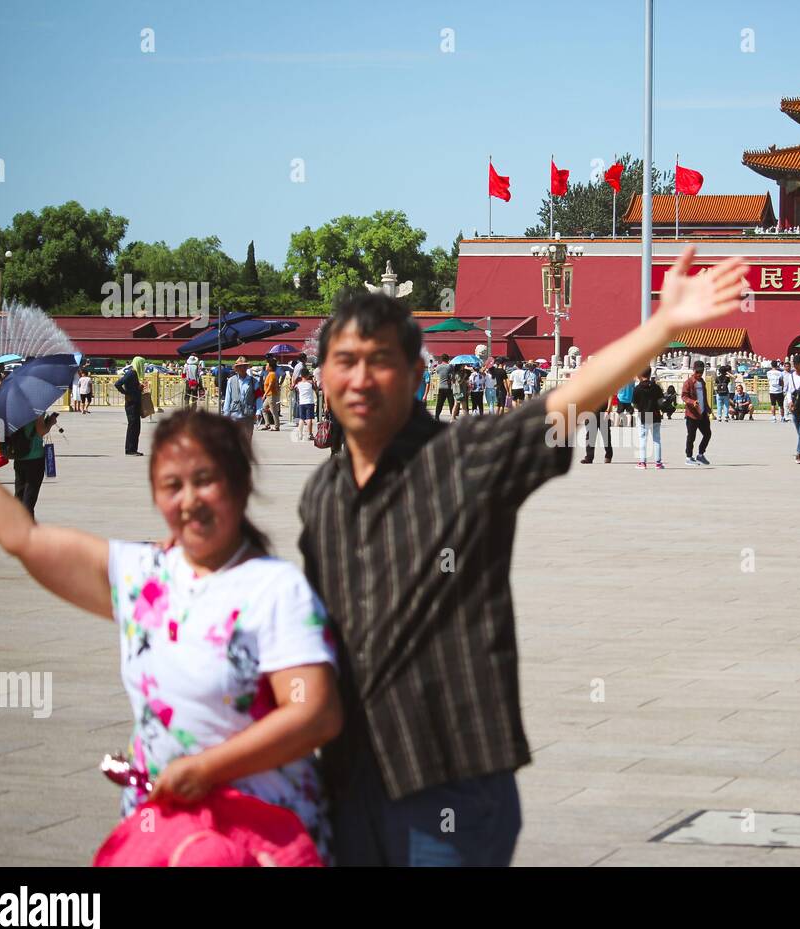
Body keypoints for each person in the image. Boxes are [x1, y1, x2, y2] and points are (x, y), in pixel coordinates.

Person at [298, 245, 747, 866]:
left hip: (446, 777)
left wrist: (661, 327)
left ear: (415, 373)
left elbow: (563, 405)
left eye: (381, 361)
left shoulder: (465, 458)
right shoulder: (323, 492)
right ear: (321, 374)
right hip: (347, 779)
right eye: (343, 361)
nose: (359, 378)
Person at [0, 407, 343, 861]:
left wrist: (206, 769)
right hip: (166, 830)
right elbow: (21, 537)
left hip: (263, 833)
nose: (190, 499)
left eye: (206, 479)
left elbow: (315, 713)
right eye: (172, 485)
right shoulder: (144, 577)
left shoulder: (275, 589)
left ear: (241, 484)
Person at [681, 360, 713, 465]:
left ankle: (700, 455)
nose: (699, 374)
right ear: (693, 370)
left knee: (707, 434)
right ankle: (688, 457)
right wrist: (692, 402)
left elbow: (704, 396)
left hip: (703, 413)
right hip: (692, 414)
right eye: (697, 372)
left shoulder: (702, 382)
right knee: (691, 436)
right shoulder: (688, 382)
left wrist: (707, 407)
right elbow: (684, 396)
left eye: (701, 372)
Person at [632, 367, 664, 469]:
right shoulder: (656, 387)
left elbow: (634, 404)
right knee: (656, 439)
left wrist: (640, 407)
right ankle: (658, 463)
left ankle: (643, 462)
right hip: (655, 414)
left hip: (644, 415)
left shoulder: (637, 388)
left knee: (643, 439)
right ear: (650, 374)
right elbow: (660, 401)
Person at [114, 356, 146, 456]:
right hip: (131, 404)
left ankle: (133, 448)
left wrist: (138, 389)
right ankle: (130, 449)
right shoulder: (131, 373)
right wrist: (126, 393)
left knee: (136, 427)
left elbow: (133, 388)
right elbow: (118, 384)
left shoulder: (135, 374)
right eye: (142, 364)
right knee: (132, 426)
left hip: (135, 403)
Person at [222, 356, 258, 439]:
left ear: (246, 367)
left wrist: (258, 411)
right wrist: (226, 413)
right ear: (236, 368)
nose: (242, 368)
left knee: (248, 438)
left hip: (248, 415)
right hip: (234, 414)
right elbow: (228, 398)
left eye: (244, 366)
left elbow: (258, 397)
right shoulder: (231, 380)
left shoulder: (254, 381)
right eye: (240, 366)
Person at [294, 371, 317, 442]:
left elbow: (296, 389)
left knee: (302, 418)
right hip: (310, 402)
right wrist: (314, 382)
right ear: (307, 375)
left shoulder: (298, 384)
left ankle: (300, 434)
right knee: (309, 418)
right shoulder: (310, 383)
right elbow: (315, 388)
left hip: (302, 403)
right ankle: (310, 434)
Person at [259, 360, 281, 431]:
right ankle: (267, 424)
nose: (266, 366)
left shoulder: (272, 374)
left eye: (267, 365)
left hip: (271, 395)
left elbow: (270, 385)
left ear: (270, 367)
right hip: (269, 395)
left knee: (273, 411)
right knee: (264, 408)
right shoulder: (269, 374)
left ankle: (277, 426)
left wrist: (264, 394)